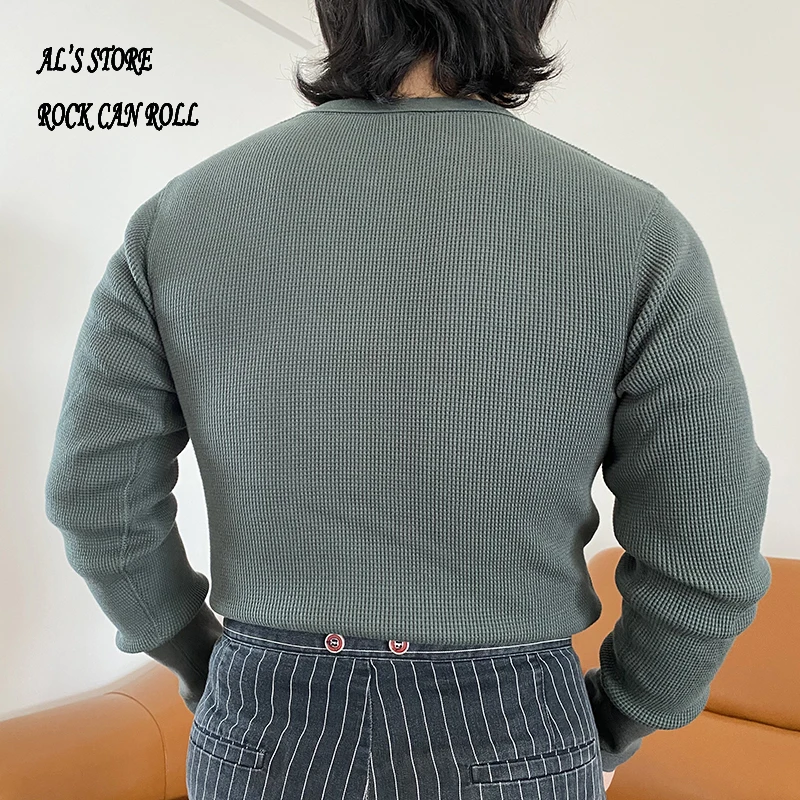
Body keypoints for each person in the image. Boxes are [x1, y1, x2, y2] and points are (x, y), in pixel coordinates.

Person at [44, 0, 772, 798]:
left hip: (262, 722)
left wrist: (201, 660)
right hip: (515, 727)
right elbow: (708, 539)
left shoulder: (181, 217)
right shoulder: (635, 229)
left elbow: (97, 499)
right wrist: (624, 714)